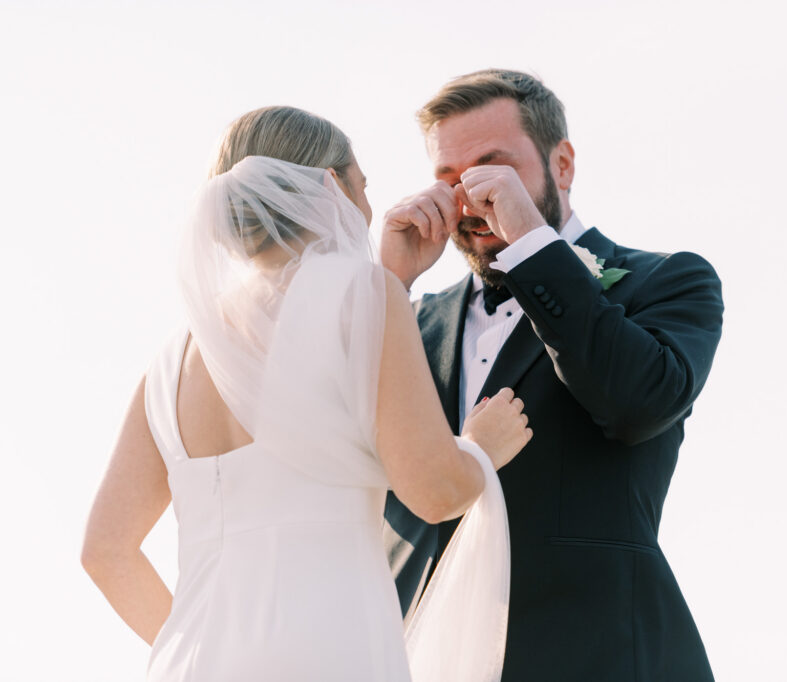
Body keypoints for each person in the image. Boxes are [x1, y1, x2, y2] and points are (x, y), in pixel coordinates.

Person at [81, 106, 531, 681]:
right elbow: (435, 492)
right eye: (362, 187)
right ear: (330, 187)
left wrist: (198, 645)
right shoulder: (364, 296)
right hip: (332, 649)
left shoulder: (177, 356)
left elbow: (104, 550)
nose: (368, 210)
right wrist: (477, 448)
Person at [380, 69, 724, 681]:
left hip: (599, 656)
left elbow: (635, 403)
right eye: (448, 178)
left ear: (561, 164)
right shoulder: (411, 321)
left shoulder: (668, 282)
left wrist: (533, 246)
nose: (469, 195)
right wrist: (389, 285)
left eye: (491, 168)